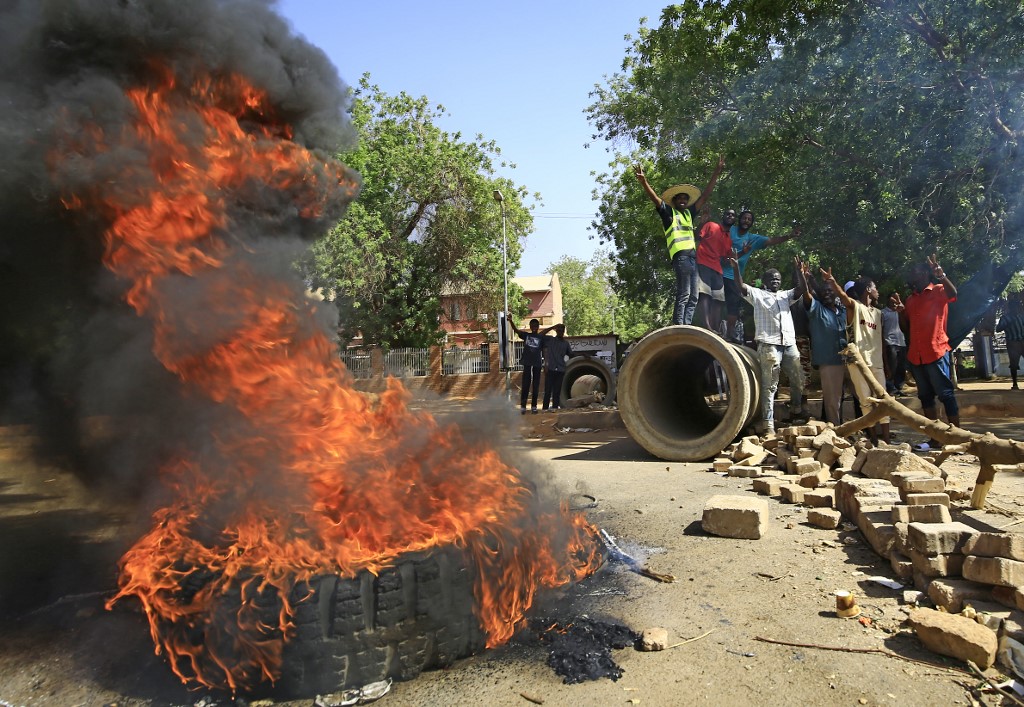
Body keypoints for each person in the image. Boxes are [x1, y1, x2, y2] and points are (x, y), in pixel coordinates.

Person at [634, 157, 725, 325]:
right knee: (684, 293)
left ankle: (687, 325)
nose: (683, 200)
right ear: (674, 201)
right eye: (679, 198)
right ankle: (678, 324)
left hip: (692, 259)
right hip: (681, 258)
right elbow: (655, 199)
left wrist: (716, 173)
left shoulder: (689, 214)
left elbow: (704, 196)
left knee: (694, 296)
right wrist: (644, 182)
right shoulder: (669, 214)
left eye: (685, 198)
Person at [727, 252, 807, 435]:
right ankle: (768, 424)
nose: (775, 281)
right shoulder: (757, 294)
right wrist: (736, 267)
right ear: (764, 281)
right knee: (770, 385)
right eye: (771, 279)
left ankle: (795, 409)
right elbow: (740, 286)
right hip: (769, 344)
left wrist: (799, 271)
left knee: (799, 379)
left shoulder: (785, 296)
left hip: (788, 344)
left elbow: (802, 288)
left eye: (778, 279)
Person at [900, 254, 959, 452]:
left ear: (925, 274)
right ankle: (934, 438)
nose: (912, 277)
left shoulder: (939, 290)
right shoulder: (910, 300)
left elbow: (953, 294)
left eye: (915, 273)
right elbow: (906, 328)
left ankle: (957, 437)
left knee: (946, 394)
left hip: (936, 351)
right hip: (916, 355)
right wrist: (901, 312)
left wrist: (941, 275)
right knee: (925, 397)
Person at [824, 273, 890, 444]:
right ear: (868, 290)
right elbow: (844, 297)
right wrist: (833, 283)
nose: (878, 291)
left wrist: (886, 363)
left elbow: (880, 340)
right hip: (858, 364)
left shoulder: (878, 313)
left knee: (884, 401)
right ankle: (874, 441)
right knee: (865, 401)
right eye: (875, 288)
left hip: (877, 363)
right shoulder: (854, 308)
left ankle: (887, 441)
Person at [721, 210, 800, 342]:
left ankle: (729, 334)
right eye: (744, 218)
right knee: (716, 300)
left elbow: (771, 241)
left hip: (734, 277)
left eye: (749, 219)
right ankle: (712, 328)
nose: (746, 221)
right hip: (719, 270)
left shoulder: (752, 239)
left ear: (751, 223)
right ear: (739, 219)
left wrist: (790, 236)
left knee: (733, 305)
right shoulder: (731, 230)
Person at [798, 261, 847, 425]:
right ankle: (836, 432)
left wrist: (830, 282)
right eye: (824, 292)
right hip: (830, 361)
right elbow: (807, 294)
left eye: (830, 291)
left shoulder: (843, 311)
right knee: (833, 402)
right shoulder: (816, 309)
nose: (827, 294)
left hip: (850, 361)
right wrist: (803, 277)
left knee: (857, 396)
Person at [695, 207, 735, 332]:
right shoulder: (711, 225)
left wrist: (734, 258)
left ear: (734, 220)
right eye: (727, 214)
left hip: (717, 269)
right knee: (705, 294)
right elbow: (696, 236)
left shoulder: (729, 238)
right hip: (703, 263)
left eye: (733, 215)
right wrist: (702, 222)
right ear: (723, 216)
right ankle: (706, 325)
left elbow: (724, 258)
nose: (730, 216)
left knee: (719, 299)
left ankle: (715, 328)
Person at [509, 316, 552, 414]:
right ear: (530, 326)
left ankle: (534, 406)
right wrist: (511, 321)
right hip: (527, 363)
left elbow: (545, 351)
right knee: (525, 384)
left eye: (536, 326)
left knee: (536, 385)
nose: (534, 327)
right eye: (532, 326)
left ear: (538, 327)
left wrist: (546, 363)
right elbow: (516, 330)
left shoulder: (541, 337)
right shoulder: (526, 335)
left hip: (537, 363)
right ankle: (523, 406)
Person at [542, 324, 575, 410]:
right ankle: (545, 409)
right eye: (559, 330)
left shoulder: (566, 343)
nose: (560, 332)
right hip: (550, 369)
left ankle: (555, 408)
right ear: (556, 331)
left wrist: (582, 355)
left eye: (562, 331)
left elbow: (571, 354)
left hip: (560, 370)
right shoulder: (550, 340)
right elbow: (541, 334)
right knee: (548, 391)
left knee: (557, 391)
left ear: (564, 332)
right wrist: (551, 327)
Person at [882, 291, 908, 395]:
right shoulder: (883, 313)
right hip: (890, 343)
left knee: (901, 367)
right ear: (888, 299)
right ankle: (890, 388)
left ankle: (899, 388)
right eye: (893, 298)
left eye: (897, 298)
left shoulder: (900, 312)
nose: (895, 300)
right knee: (892, 367)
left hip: (901, 343)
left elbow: (905, 326)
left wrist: (900, 311)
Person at [997, 295, 1024, 390]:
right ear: (1011, 308)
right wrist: (1007, 324)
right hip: (1013, 343)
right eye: (1015, 307)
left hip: (1022, 341)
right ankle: (1015, 383)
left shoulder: (1021, 316)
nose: (1017, 308)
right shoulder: (1005, 318)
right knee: (1014, 364)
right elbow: (998, 329)